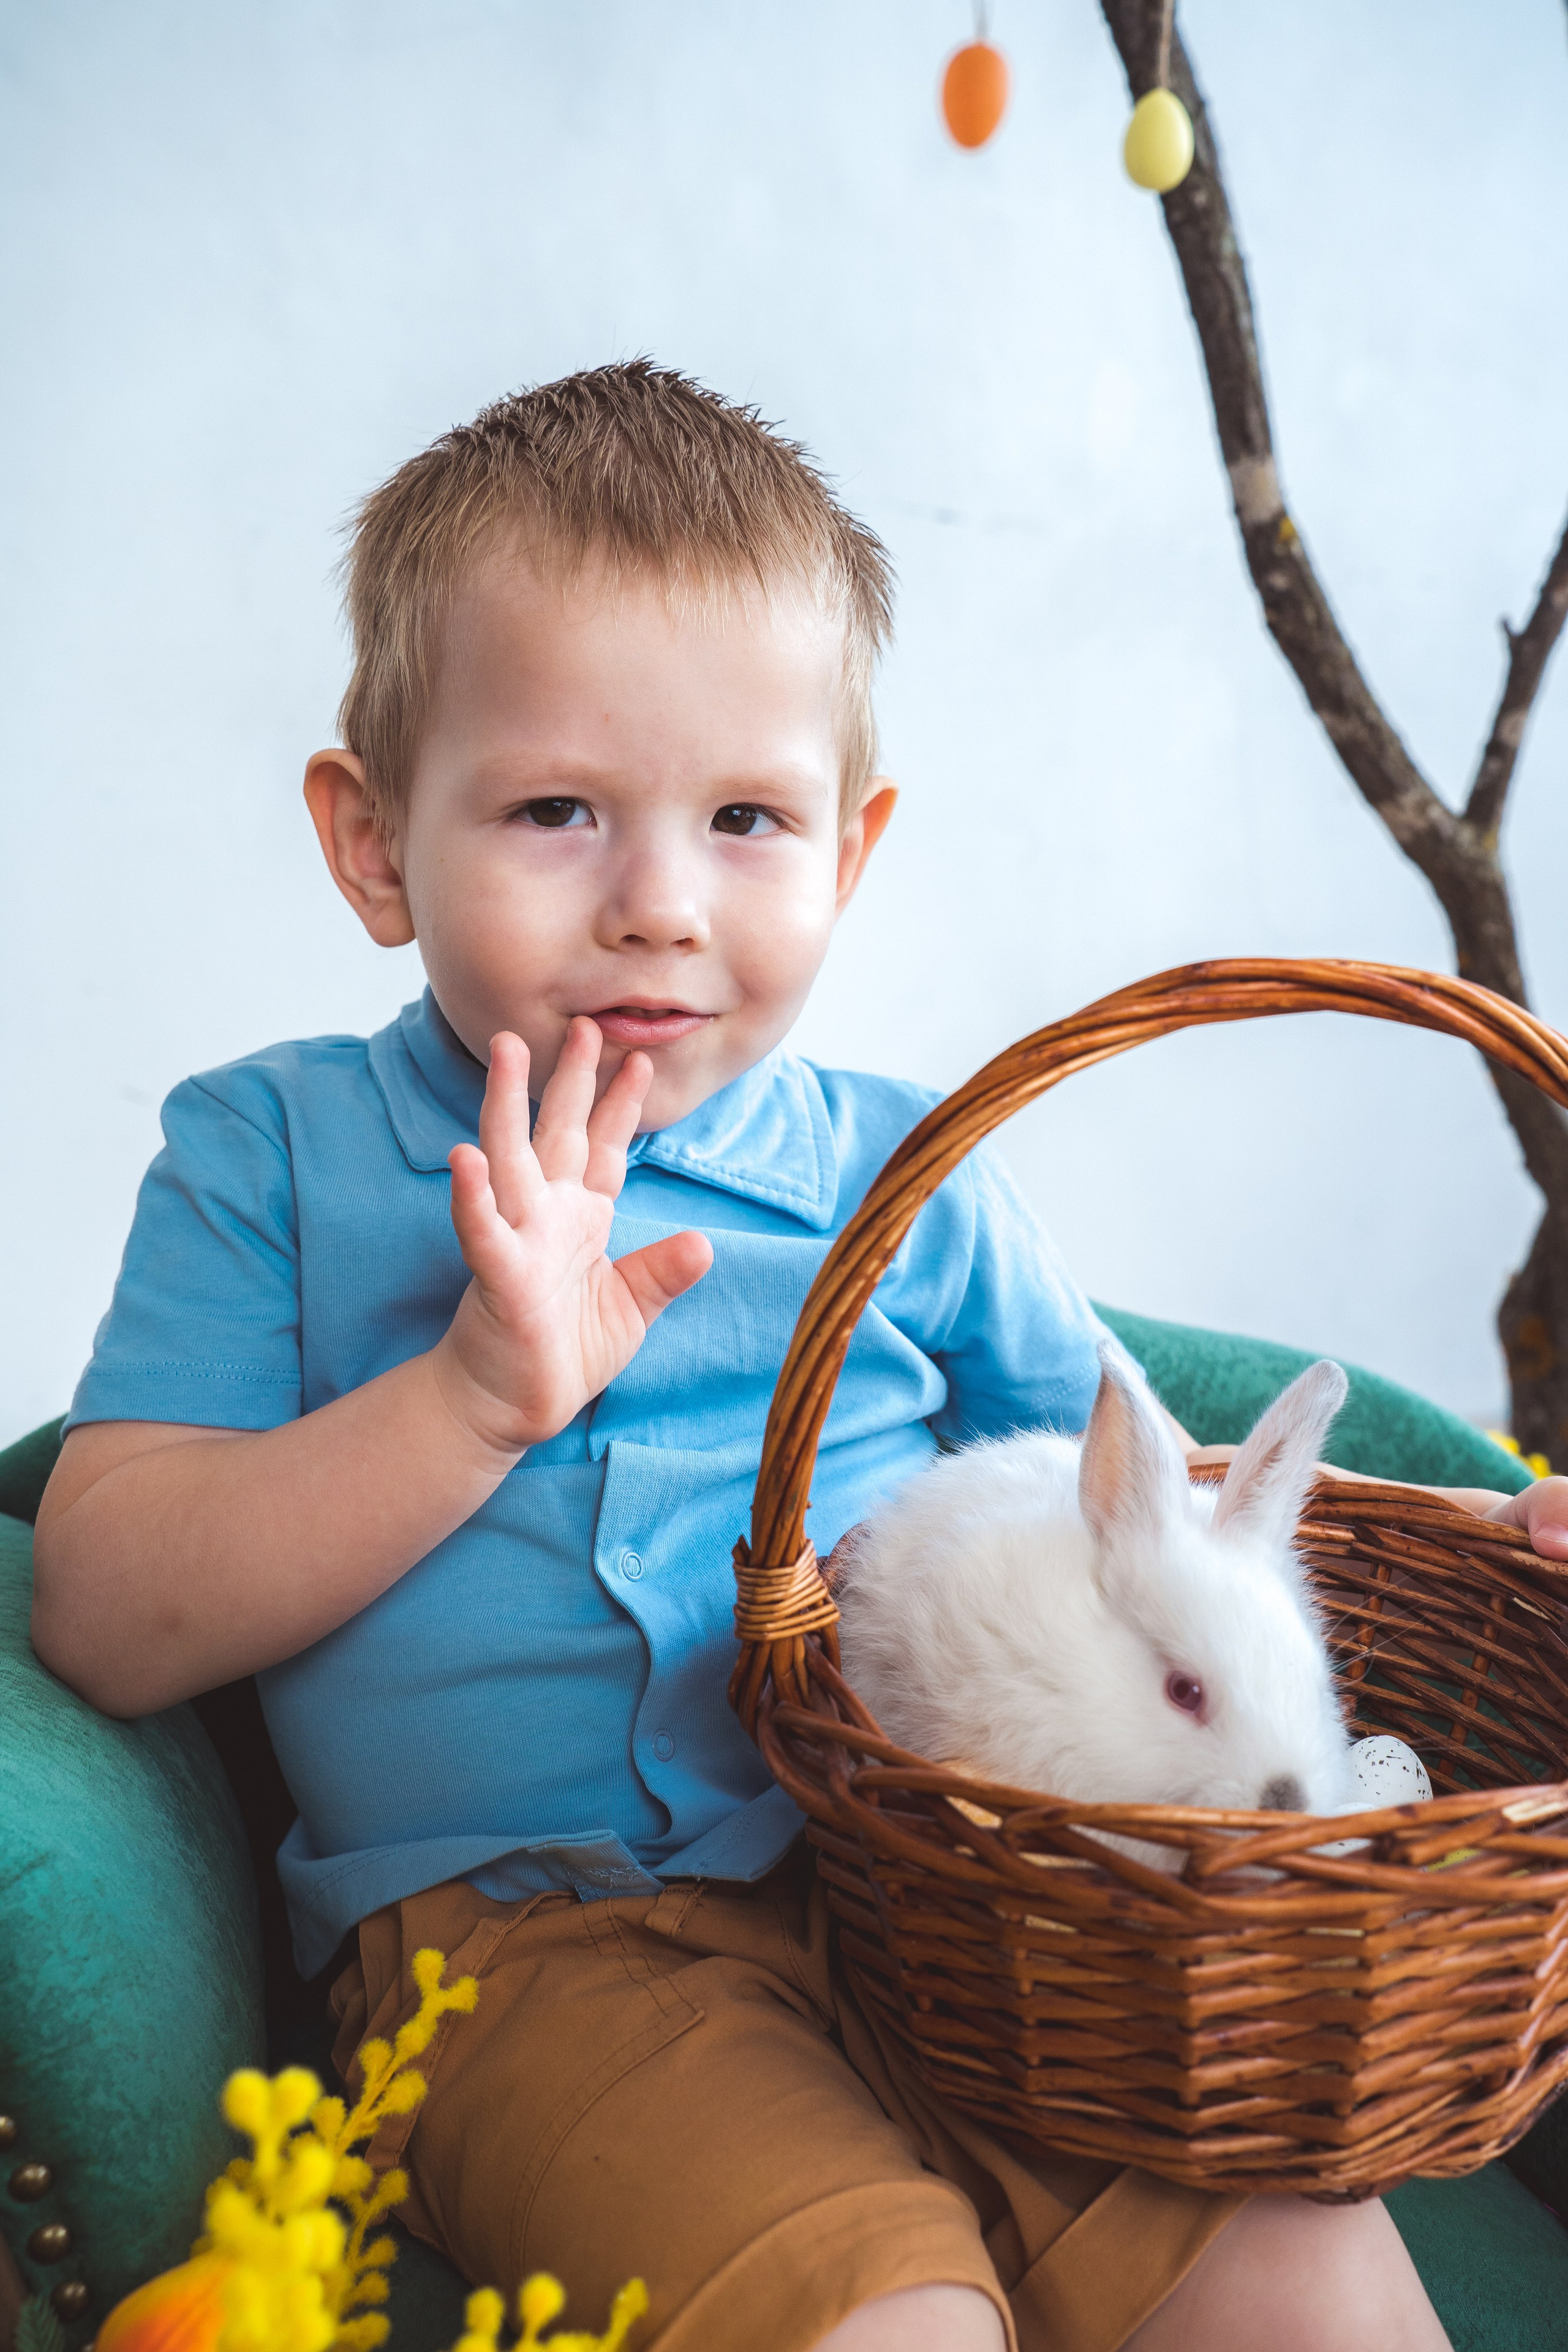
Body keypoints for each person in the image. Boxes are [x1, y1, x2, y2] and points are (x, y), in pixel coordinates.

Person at [31, 362, 1564, 2352]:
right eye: (557, 809)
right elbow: (103, 1612)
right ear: (374, 841)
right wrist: (470, 1403)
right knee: (890, 2318)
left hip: (973, 1904)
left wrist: (1485, 1517)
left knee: (1307, 2278)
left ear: (852, 847)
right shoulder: (277, 1156)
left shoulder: (904, 1176)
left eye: (747, 816)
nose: (659, 901)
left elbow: (1163, 1518)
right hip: (533, 1959)